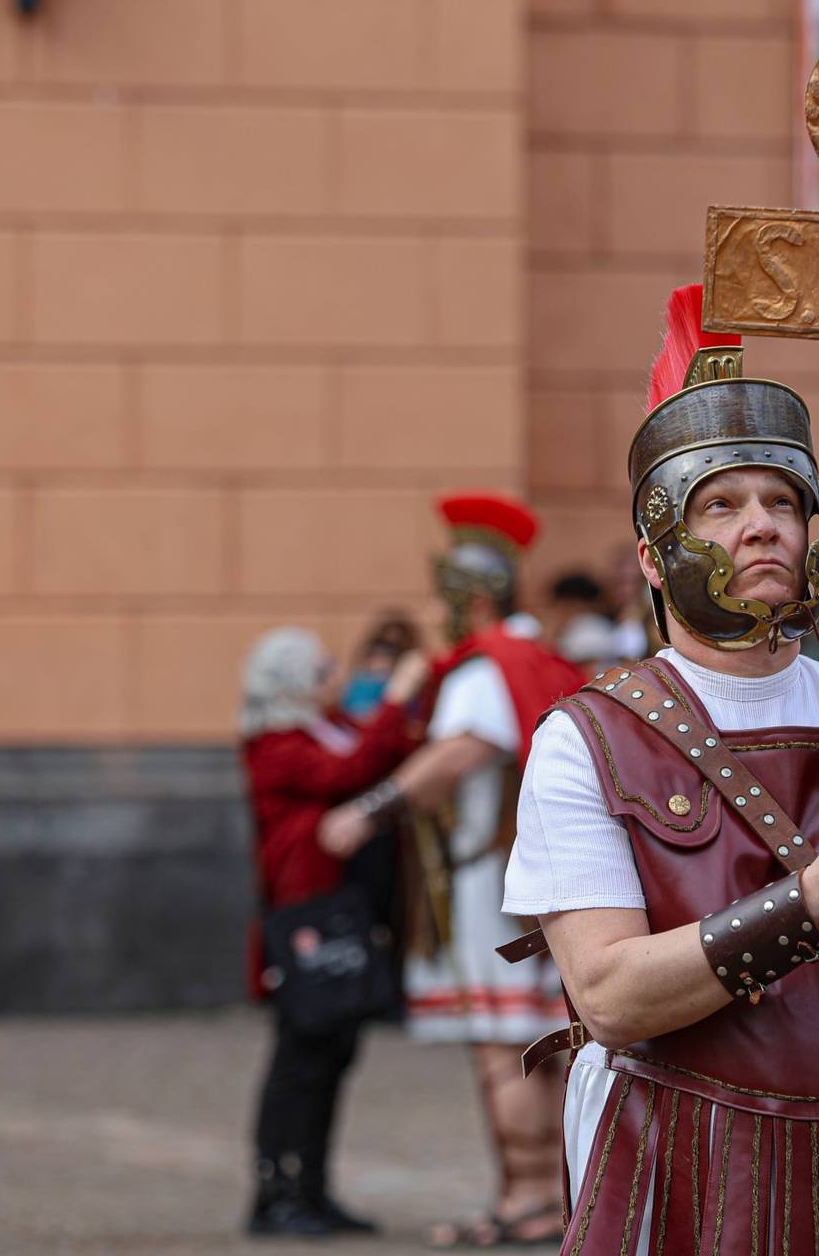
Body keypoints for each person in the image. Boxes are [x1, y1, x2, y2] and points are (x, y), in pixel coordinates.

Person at [497, 284, 819, 1255]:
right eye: (722, 504)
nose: (763, 524)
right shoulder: (589, 736)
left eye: (784, 501)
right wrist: (813, 899)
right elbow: (608, 993)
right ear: (655, 554)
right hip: (677, 1161)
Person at [317, 494, 588, 1247]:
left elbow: (458, 753)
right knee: (544, 1042)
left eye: (447, 597)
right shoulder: (541, 658)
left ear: (475, 596)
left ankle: (529, 1197)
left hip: (491, 883)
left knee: (506, 1040)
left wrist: (366, 811)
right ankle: (553, 1194)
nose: (440, 613)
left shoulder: (486, 667)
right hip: (539, 877)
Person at [238, 626, 426, 1237]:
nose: (336, 677)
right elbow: (349, 771)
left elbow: (380, 755)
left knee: (333, 1056)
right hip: (306, 919)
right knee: (300, 1059)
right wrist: (395, 697)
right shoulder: (276, 744)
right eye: (322, 670)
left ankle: (313, 1189)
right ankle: (276, 1192)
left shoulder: (328, 726)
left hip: (344, 913)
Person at [338, 612, 420, 722]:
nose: (380, 662)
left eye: (390, 652)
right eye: (376, 655)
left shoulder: (398, 684)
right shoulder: (359, 681)